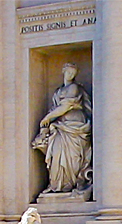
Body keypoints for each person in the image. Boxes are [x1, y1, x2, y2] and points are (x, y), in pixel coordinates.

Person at [33, 63, 93, 193]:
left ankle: (71, 184)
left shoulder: (74, 88)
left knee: (73, 158)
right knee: (57, 155)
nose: (71, 75)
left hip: (75, 126)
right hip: (60, 127)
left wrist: (47, 118)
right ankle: (57, 185)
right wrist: (47, 124)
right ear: (63, 72)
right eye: (69, 72)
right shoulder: (58, 91)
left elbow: (66, 106)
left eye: (73, 73)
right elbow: (56, 109)